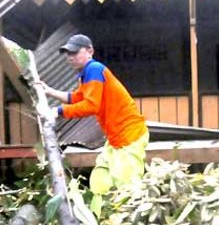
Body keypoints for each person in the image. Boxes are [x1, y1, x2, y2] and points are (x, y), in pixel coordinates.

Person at [37, 34, 149, 206]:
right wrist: (50, 91)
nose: (70, 57)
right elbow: (78, 97)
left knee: (128, 190)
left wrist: (57, 111)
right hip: (116, 138)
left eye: (74, 52)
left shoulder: (94, 69)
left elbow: (90, 106)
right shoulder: (87, 73)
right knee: (100, 182)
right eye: (68, 54)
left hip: (129, 137)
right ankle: (100, 222)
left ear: (90, 51)